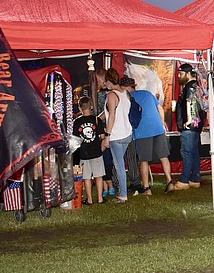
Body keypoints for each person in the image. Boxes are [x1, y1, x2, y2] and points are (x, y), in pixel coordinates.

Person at [123, 78, 175, 195]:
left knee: (143, 159)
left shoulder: (127, 98)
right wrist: (161, 123)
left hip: (142, 131)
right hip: (157, 128)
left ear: (125, 87)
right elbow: (160, 108)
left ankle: (146, 188)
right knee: (163, 156)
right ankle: (170, 182)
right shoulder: (147, 93)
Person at [103, 68, 133, 203]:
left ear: (109, 82)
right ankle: (121, 189)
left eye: (105, 82)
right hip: (127, 133)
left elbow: (112, 117)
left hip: (116, 134)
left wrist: (107, 135)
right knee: (120, 164)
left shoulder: (111, 95)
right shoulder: (125, 93)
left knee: (119, 165)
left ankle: (123, 194)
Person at [73, 96, 107, 205]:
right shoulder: (96, 120)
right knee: (98, 175)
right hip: (96, 151)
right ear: (91, 106)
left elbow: (76, 139)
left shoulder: (77, 122)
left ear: (80, 108)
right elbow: (102, 136)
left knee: (86, 177)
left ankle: (89, 199)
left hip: (83, 153)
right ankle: (100, 198)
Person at [175, 63, 203, 190]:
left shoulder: (190, 87)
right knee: (193, 152)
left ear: (187, 73)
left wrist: (189, 120)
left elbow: (190, 102)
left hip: (190, 126)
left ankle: (184, 180)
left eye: (181, 74)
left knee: (187, 152)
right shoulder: (196, 85)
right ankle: (194, 178)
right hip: (195, 126)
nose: (179, 76)